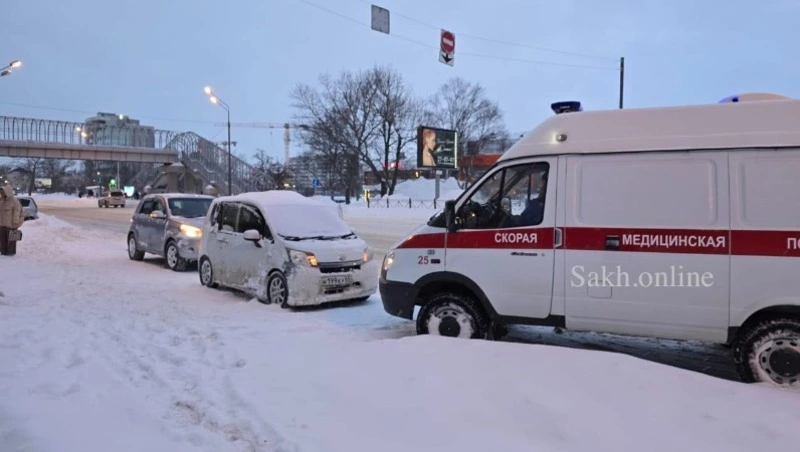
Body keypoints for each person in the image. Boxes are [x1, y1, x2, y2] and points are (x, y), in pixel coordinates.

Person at [0, 185, 24, 256]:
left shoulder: (14, 201)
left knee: (11, 241)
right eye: (1, 192)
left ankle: (10, 253)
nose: (2, 193)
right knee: (2, 240)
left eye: (3, 192)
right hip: (1, 224)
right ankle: (3, 252)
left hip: (11, 225)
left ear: (7, 192)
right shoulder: (1, 201)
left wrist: (15, 223)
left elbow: (17, 212)